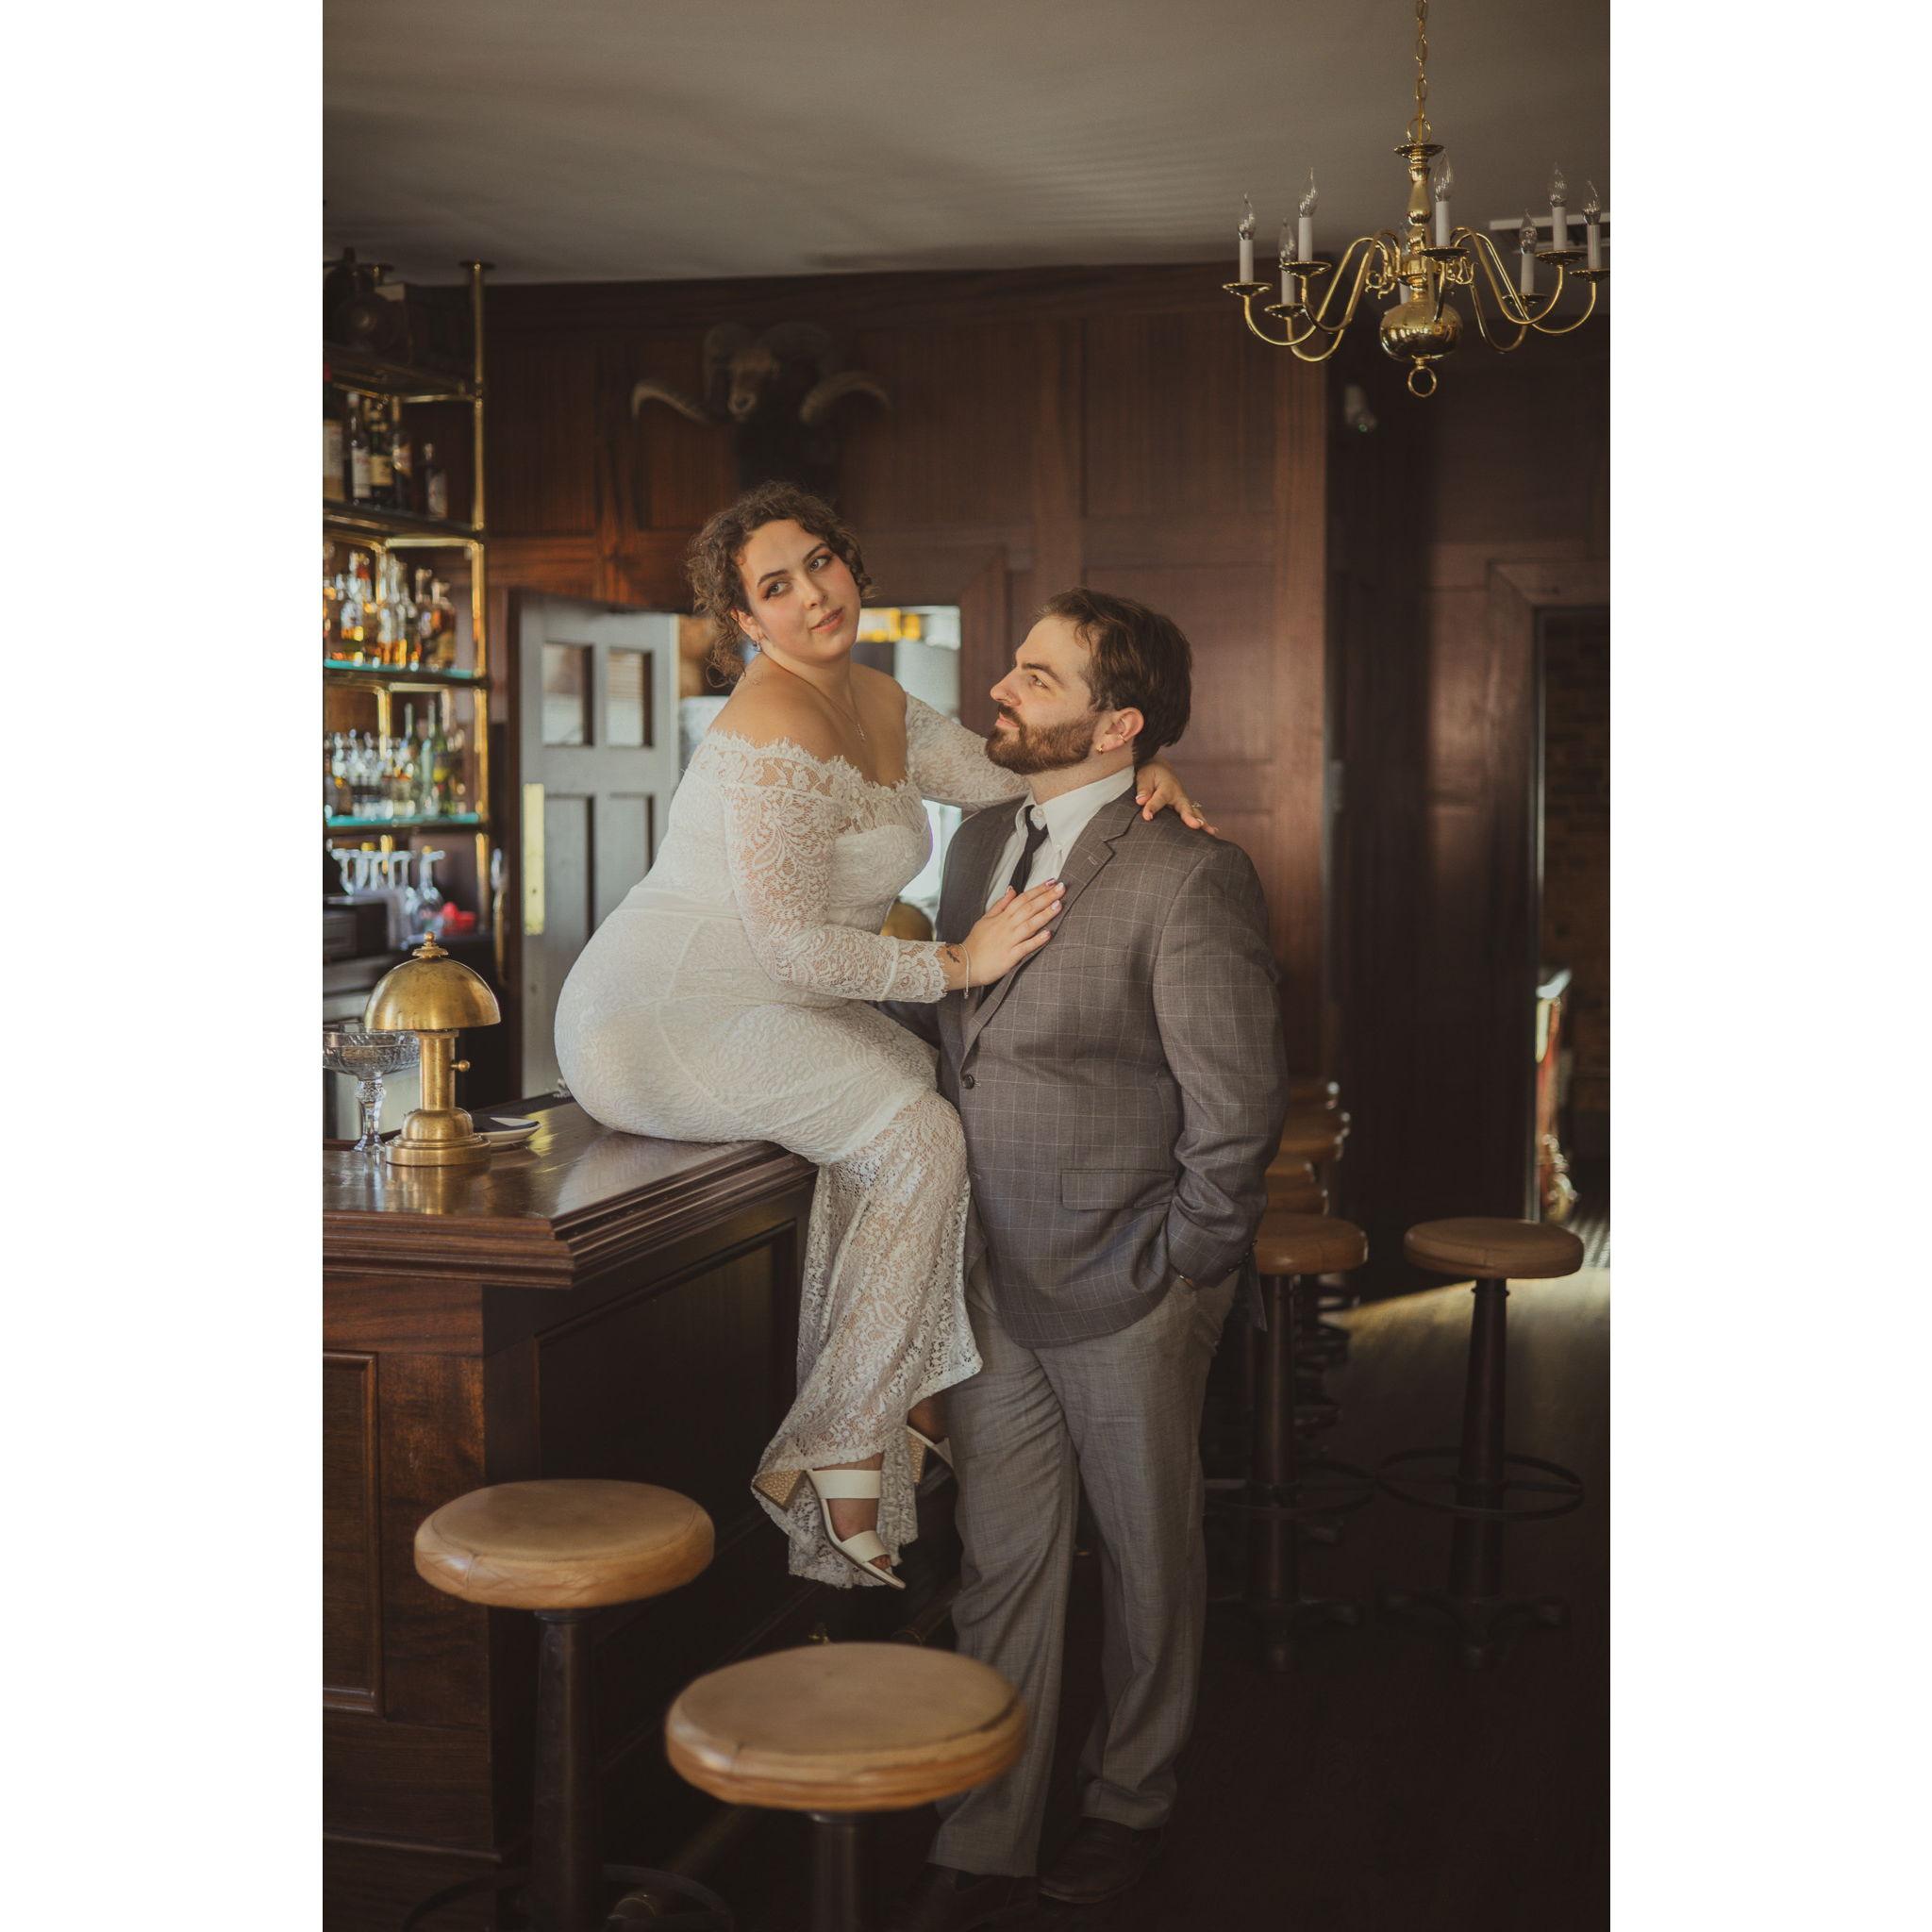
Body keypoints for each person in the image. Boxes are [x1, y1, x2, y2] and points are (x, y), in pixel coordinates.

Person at [552, 484, 1209, 1591]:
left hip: (775, 1006)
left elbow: (1013, 774)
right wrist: (957, 963)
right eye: (775, 586)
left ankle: (870, 1411)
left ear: (849, 563)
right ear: (745, 622)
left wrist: (1128, 762)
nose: (812, 594)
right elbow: (789, 946)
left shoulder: (879, 699)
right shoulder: (767, 724)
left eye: (820, 562)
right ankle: (852, 1431)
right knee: (916, 1133)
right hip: (658, 1012)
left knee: (918, 1085)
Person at [879, 589, 1289, 1930]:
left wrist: (1183, 1266)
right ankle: (984, 1826)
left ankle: (1129, 1803)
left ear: (1119, 725)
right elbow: (960, 1035)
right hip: (990, 1278)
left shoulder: (1190, 873)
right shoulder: (976, 842)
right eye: (1016, 666)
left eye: (1039, 678)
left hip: (1130, 1285)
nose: (1003, 689)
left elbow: (1236, 1111)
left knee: (1148, 1558)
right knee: (1000, 1561)